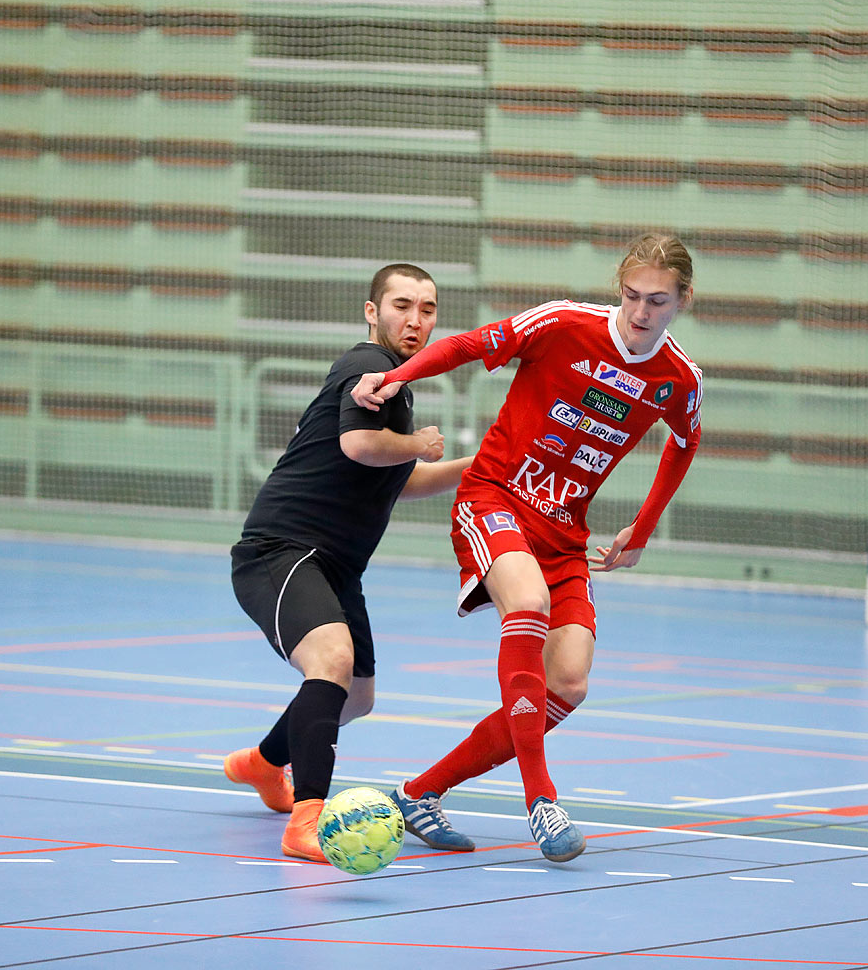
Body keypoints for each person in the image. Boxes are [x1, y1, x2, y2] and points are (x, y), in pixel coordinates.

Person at [351, 233, 703, 862]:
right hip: (496, 500)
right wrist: (393, 375)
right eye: (631, 296)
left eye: (657, 301)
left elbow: (684, 443)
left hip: (566, 534)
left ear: (682, 300)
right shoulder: (564, 324)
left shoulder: (678, 378)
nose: (641, 312)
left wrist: (642, 530)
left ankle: (418, 793)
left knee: (569, 682)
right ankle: (541, 798)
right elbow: (465, 345)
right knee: (528, 604)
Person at [224, 264, 473, 862]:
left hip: (337, 566)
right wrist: (419, 442)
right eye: (402, 306)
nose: (416, 320)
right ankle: (305, 820)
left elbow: (395, 479)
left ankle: (261, 764)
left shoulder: (398, 382)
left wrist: (474, 465)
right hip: (281, 551)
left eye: (428, 309)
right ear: (372, 312)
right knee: (331, 661)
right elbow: (361, 445)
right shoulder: (369, 367)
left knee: (355, 697)